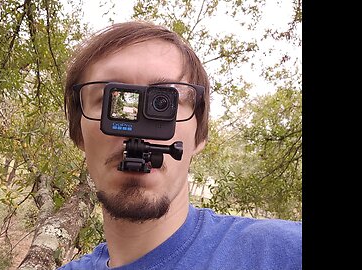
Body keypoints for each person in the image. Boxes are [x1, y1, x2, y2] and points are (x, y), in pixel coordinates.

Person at [59, 21, 302, 270]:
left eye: (162, 102)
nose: (137, 129)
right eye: (111, 98)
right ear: (78, 133)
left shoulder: (284, 253)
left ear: (199, 136)